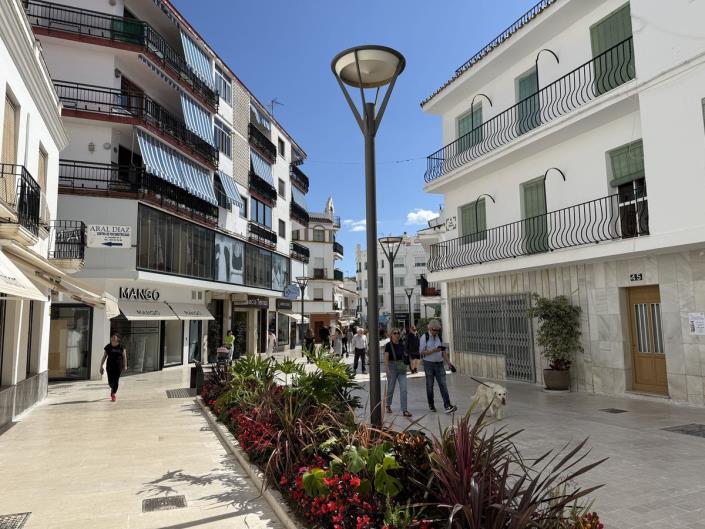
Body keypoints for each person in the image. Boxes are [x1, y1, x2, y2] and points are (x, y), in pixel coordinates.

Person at [419, 321, 457, 413]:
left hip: (439, 364)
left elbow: (443, 351)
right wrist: (433, 350)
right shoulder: (424, 337)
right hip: (428, 364)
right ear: (429, 328)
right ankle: (431, 405)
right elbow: (421, 352)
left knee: (443, 384)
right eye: (434, 330)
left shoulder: (439, 337)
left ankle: (447, 405)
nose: (436, 332)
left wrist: (449, 363)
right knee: (429, 385)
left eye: (437, 330)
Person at [384, 328, 411, 417]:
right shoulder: (388, 345)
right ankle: (388, 405)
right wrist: (386, 368)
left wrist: (407, 365)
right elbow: (386, 357)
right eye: (395, 333)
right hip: (392, 367)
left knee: (404, 389)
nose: (397, 335)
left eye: (398, 333)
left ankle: (404, 409)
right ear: (391, 335)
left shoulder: (401, 344)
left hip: (401, 366)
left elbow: (405, 356)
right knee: (391, 388)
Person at [99, 333, 127, 402]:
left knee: (116, 380)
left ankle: (113, 393)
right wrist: (101, 366)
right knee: (110, 381)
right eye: (112, 337)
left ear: (118, 339)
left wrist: (125, 365)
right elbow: (104, 357)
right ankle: (112, 388)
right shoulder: (108, 347)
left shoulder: (121, 347)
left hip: (118, 366)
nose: (113, 338)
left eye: (114, 337)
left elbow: (124, 357)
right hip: (109, 366)